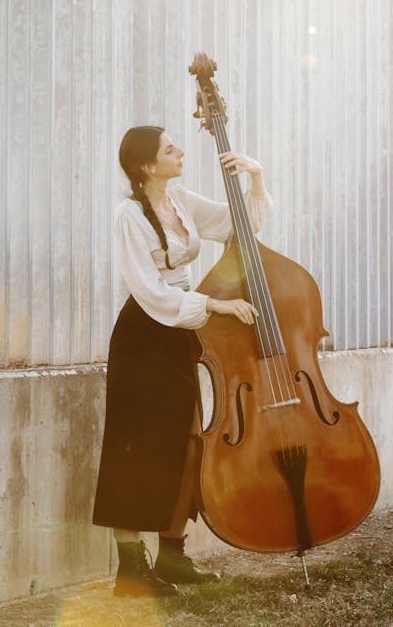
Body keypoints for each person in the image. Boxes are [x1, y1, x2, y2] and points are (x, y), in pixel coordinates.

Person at [92, 125, 273, 597]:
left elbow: (243, 228)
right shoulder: (129, 214)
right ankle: (130, 570)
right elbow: (149, 290)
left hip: (178, 332)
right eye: (170, 149)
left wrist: (255, 177)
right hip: (144, 334)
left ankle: (172, 555)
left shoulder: (183, 201)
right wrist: (213, 306)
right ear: (147, 166)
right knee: (134, 447)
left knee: (186, 441)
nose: (180, 151)